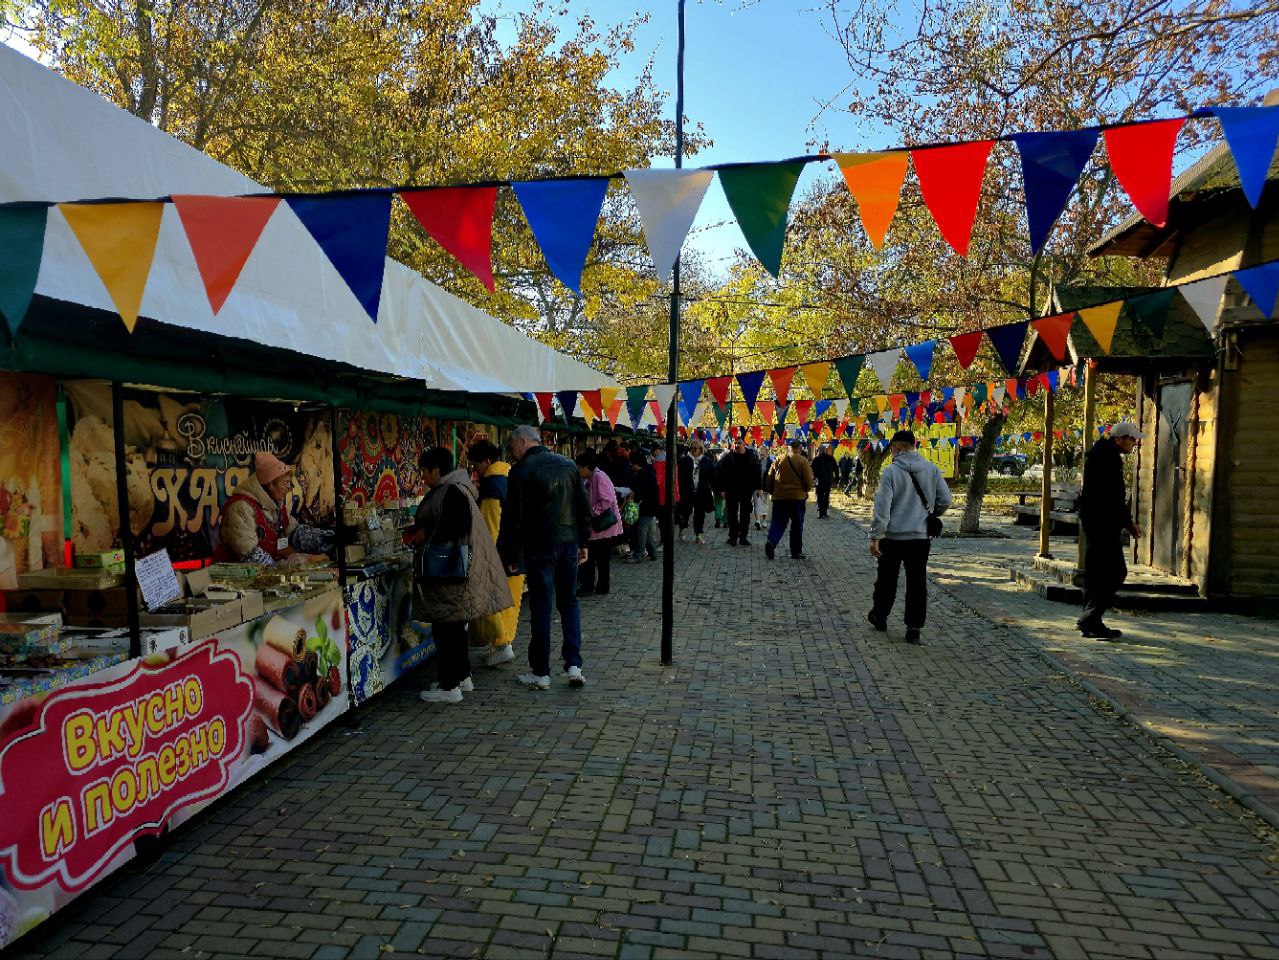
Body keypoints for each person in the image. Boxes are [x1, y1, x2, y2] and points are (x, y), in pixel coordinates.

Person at [411, 447, 512, 704]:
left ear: (436, 470)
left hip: (449, 572)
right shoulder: (458, 488)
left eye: (424, 471)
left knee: (447, 629)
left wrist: (425, 535)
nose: (422, 477)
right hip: (458, 571)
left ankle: (449, 686)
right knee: (455, 626)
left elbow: (455, 528)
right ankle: (461, 677)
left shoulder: (452, 491)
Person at [496, 425, 591, 690]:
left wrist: (511, 553)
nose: (512, 452)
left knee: (541, 607)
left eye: (513, 447)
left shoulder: (521, 471)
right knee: (569, 602)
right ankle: (574, 665)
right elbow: (582, 506)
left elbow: (513, 517)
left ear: (524, 442)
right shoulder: (568, 465)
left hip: (540, 547)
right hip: (568, 542)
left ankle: (541, 671)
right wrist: (583, 540)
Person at [866, 430, 952, 644]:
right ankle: (913, 627)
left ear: (897, 447)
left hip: (893, 537)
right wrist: (931, 513)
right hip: (920, 537)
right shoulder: (932, 469)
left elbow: (882, 508)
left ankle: (880, 616)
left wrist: (876, 536)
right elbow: (945, 499)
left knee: (886, 579)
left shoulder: (891, 472)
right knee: (917, 582)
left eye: (892, 448)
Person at [1076, 423, 1144, 640]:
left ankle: (1090, 621)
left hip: (1096, 521)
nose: (1135, 443)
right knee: (1115, 572)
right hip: (1102, 523)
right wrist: (1128, 522)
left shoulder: (1102, 454)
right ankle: (1090, 618)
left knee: (1096, 573)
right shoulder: (1108, 459)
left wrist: (1126, 522)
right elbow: (1112, 497)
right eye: (1131, 439)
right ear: (1118, 439)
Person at [465, 439, 524, 667]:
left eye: (476, 465)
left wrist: (483, 554)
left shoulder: (492, 484)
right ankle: (503, 643)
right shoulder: (512, 475)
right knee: (510, 602)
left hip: (500, 552)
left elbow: (491, 526)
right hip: (518, 549)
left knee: (495, 601)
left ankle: (502, 645)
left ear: (487, 461)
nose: (475, 471)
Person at [215, 452, 331, 564]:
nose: (290, 488)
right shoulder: (241, 507)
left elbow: (294, 533)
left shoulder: (275, 505)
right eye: (285, 483)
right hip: (234, 579)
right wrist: (288, 566)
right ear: (270, 484)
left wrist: (328, 538)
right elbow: (251, 556)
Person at [576, 450, 623, 594]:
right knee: (600, 558)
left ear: (586, 467)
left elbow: (607, 500)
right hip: (599, 527)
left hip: (602, 526)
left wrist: (593, 511)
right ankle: (600, 586)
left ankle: (590, 586)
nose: (578, 471)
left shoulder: (599, 477)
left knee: (594, 558)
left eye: (579, 467)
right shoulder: (591, 478)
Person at [764, 439, 815, 560]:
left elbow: (770, 477)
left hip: (779, 497)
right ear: (800, 448)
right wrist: (806, 490)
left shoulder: (778, 459)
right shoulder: (802, 460)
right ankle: (796, 552)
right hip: (797, 498)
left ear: (789, 447)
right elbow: (809, 480)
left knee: (778, 522)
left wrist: (771, 491)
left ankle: (771, 541)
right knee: (797, 525)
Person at [717, 437, 760, 546]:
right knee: (732, 515)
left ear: (744, 444)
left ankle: (743, 538)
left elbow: (757, 473)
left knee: (745, 515)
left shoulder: (752, 456)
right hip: (731, 490)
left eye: (739, 443)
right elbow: (721, 472)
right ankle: (733, 537)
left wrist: (759, 487)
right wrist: (722, 488)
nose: (737, 445)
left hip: (746, 490)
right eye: (735, 443)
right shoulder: (729, 457)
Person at [677, 441, 717, 545]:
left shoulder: (706, 461)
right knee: (685, 512)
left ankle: (699, 534)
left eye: (695, 448)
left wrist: (712, 486)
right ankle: (683, 527)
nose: (692, 450)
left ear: (700, 449)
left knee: (700, 514)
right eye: (691, 448)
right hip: (687, 491)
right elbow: (678, 476)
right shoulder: (684, 460)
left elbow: (712, 475)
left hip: (701, 492)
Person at [626, 448, 659, 562]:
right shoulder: (648, 470)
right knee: (647, 532)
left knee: (641, 530)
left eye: (632, 463)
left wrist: (636, 499)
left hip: (645, 506)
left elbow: (645, 491)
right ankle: (652, 553)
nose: (631, 466)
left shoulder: (645, 473)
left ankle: (639, 555)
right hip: (649, 506)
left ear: (637, 464)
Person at [811, 442, 839, 519]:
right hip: (828, 480)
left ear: (819, 451)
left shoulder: (816, 459)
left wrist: (813, 479)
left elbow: (812, 470)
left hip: (819, 481)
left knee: (819, 496)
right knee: (826, 496)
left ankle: (820, 512)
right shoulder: (830, 458)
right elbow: (836, 470)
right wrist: (836, 480)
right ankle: (825, 512)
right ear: (825, 450)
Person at [753, 446, 774, 531]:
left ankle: (764, 520)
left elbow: (772, 475)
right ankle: (758, 521)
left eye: (763, 451)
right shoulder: (756, 462)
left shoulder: (770, 463)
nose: (761, 453)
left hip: (766, 486)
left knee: (765, 503)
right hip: (757, 486)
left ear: (767, 452)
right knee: (757, 503)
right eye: (760, 451)